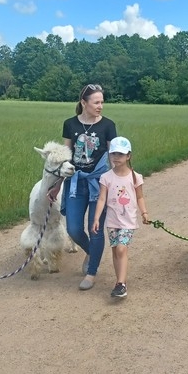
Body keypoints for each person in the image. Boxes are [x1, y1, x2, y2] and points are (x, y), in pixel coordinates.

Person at [47, 84, 117, 291]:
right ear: (83, 103)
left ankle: (91, 273)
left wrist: (117, 184)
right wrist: (57, 186)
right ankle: (92, 252)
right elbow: (66, 159)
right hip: (75, 183)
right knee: (74, 229)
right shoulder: (70, 124)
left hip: (99, 184)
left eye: (102, 102)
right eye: (96, 102)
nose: (100, 106)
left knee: (95, 230)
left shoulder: (108, 125)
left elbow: (114, 158)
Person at [91, 136, 150, 298]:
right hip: (112, 220)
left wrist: (144, 213)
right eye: (113, 154)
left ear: (128, 156)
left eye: (121, 154)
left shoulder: (135, 177)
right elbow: (101, 199)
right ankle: (119, 282)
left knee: (122, 248)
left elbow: (139, 197)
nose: (116, 157)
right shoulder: (106, 177)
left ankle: (121, 284)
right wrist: (96, 218)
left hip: (128, 221)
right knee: (116, 250)